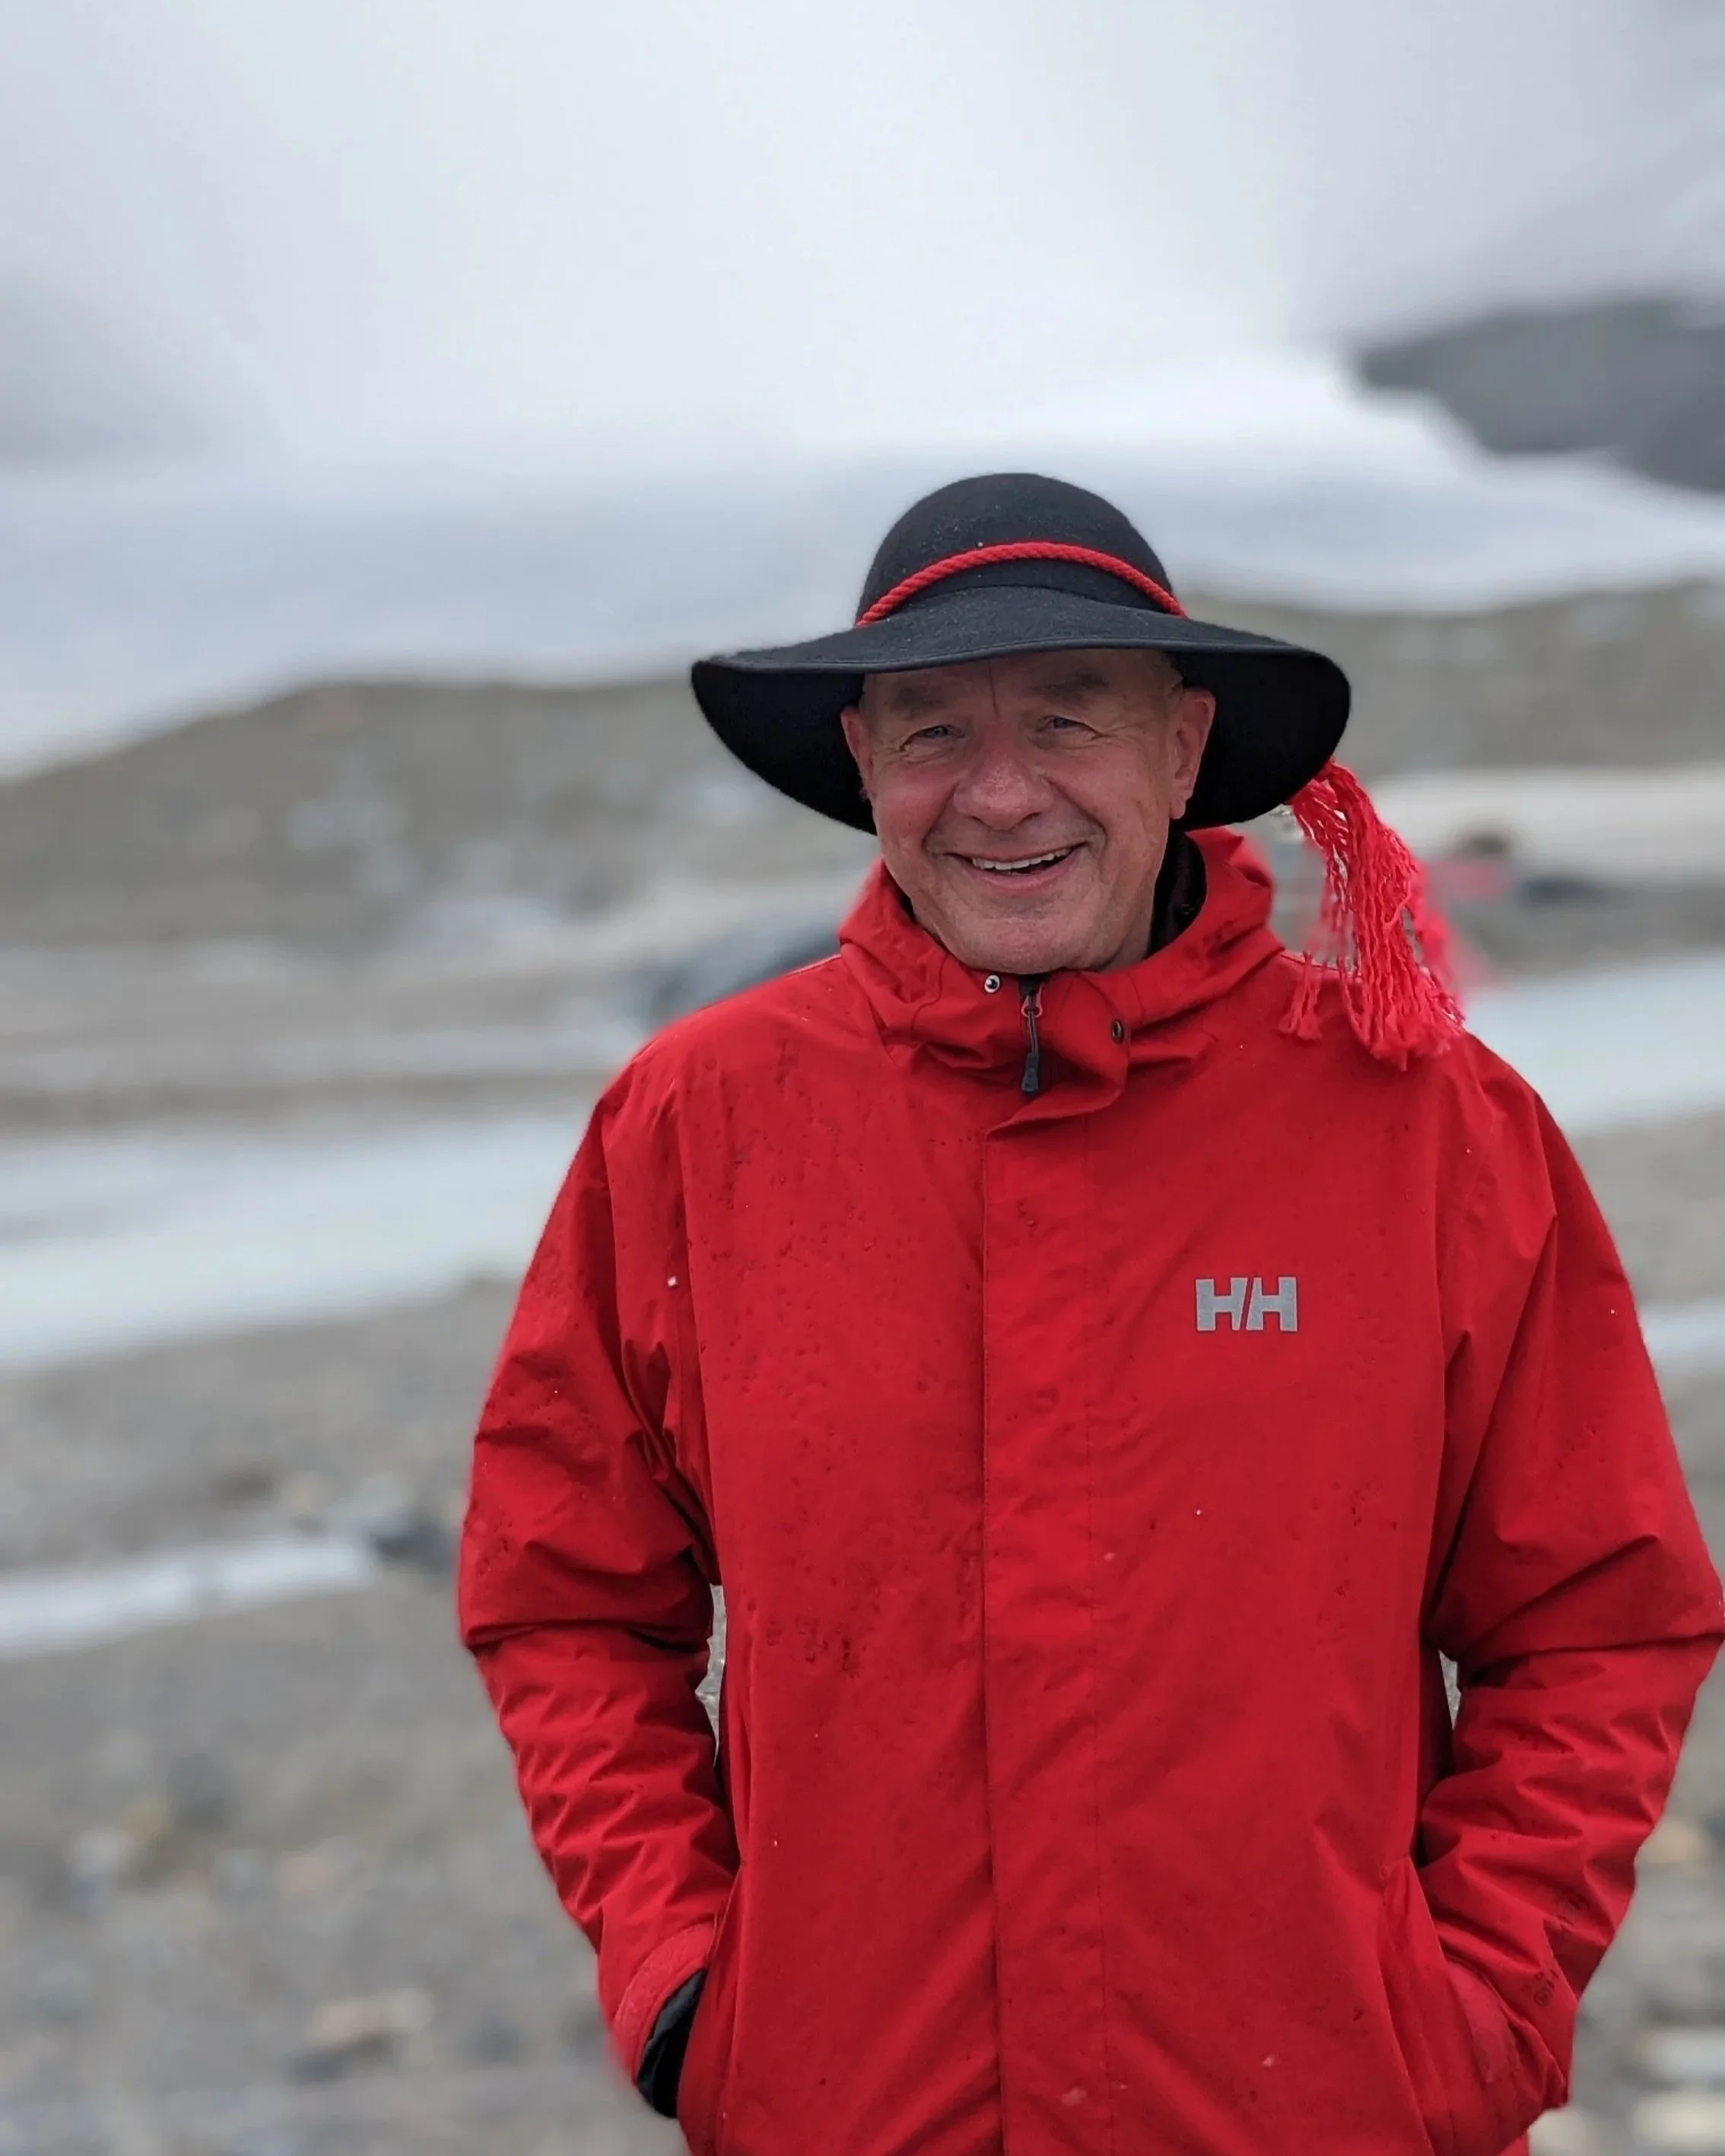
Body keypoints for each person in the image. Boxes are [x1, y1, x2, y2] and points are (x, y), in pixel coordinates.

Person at [459, 473, 1722, 2155]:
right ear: (861, 766)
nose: (999, 794)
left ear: (1186, 750)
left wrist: (1473, 2013)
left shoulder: (1430, 1129)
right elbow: (564, 1603)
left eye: (1069, 718)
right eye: (930, 735)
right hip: (857, 2113)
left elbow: (1596, 1617)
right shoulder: (694, 1126)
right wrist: (692, 1987)